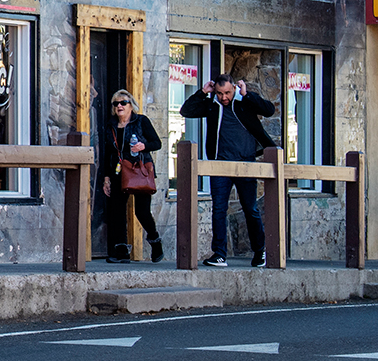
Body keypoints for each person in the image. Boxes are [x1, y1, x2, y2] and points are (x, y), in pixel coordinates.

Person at [179, 75, 276, 267]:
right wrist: (203, 92)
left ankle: (260, 252)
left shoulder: (244, 103)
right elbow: (186, 111)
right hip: (219, 163)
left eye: (228, 93)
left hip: (245, 163)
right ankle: (219, 254)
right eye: (220, 93)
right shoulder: (211, 105)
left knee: (251, 209)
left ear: (234, 88)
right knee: (219, 209)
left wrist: (247, 94)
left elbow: (269, 110)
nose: (224, 97)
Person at [97, 90, 165, 262]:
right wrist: (106, 178)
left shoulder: (141, 121)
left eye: (123, 102)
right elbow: (107, 153)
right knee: (117, 211)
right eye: (116, 103)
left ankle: (155, 242)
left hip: (138, 170)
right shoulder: (111, 125)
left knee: (142, 211)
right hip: (119, 171)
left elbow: (157, 143)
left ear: (131, 105)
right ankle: (121, 252)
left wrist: (144, 146)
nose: (119, 106)